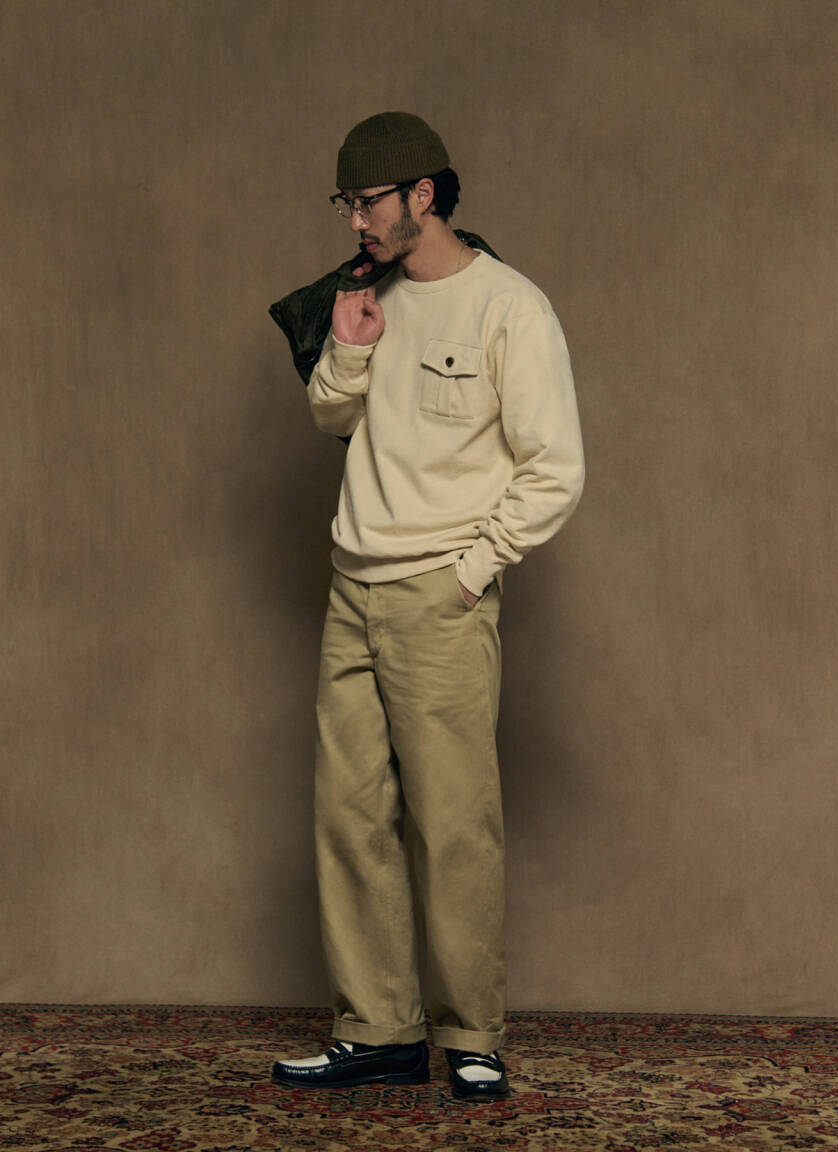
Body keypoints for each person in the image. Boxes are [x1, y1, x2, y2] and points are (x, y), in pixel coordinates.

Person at [272, 112, 585, 1101]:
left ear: (422, 196)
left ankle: (471, 1036)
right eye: (346, 203)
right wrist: (349, 347)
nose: (354, 221)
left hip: (439, 594)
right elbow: (332, 413)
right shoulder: (365, 297)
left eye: (366, 201)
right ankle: (377, 1031)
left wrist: (472, 571)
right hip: (351, 585)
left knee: (451, 824)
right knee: (350, 818)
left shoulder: (510, 307)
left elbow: (555, 468)